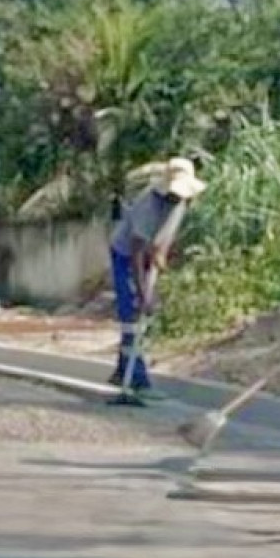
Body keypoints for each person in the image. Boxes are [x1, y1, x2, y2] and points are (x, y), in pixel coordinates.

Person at [107, 156, 206, 397]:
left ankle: (123, 371)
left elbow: (168, 229)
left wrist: (161, 253)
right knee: (133, 314)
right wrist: (144, 294)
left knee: (137, 317)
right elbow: (136, 251)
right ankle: (137, 380)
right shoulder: (148, 206)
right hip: (126, 255)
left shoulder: (181, 200)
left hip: (145, 252)